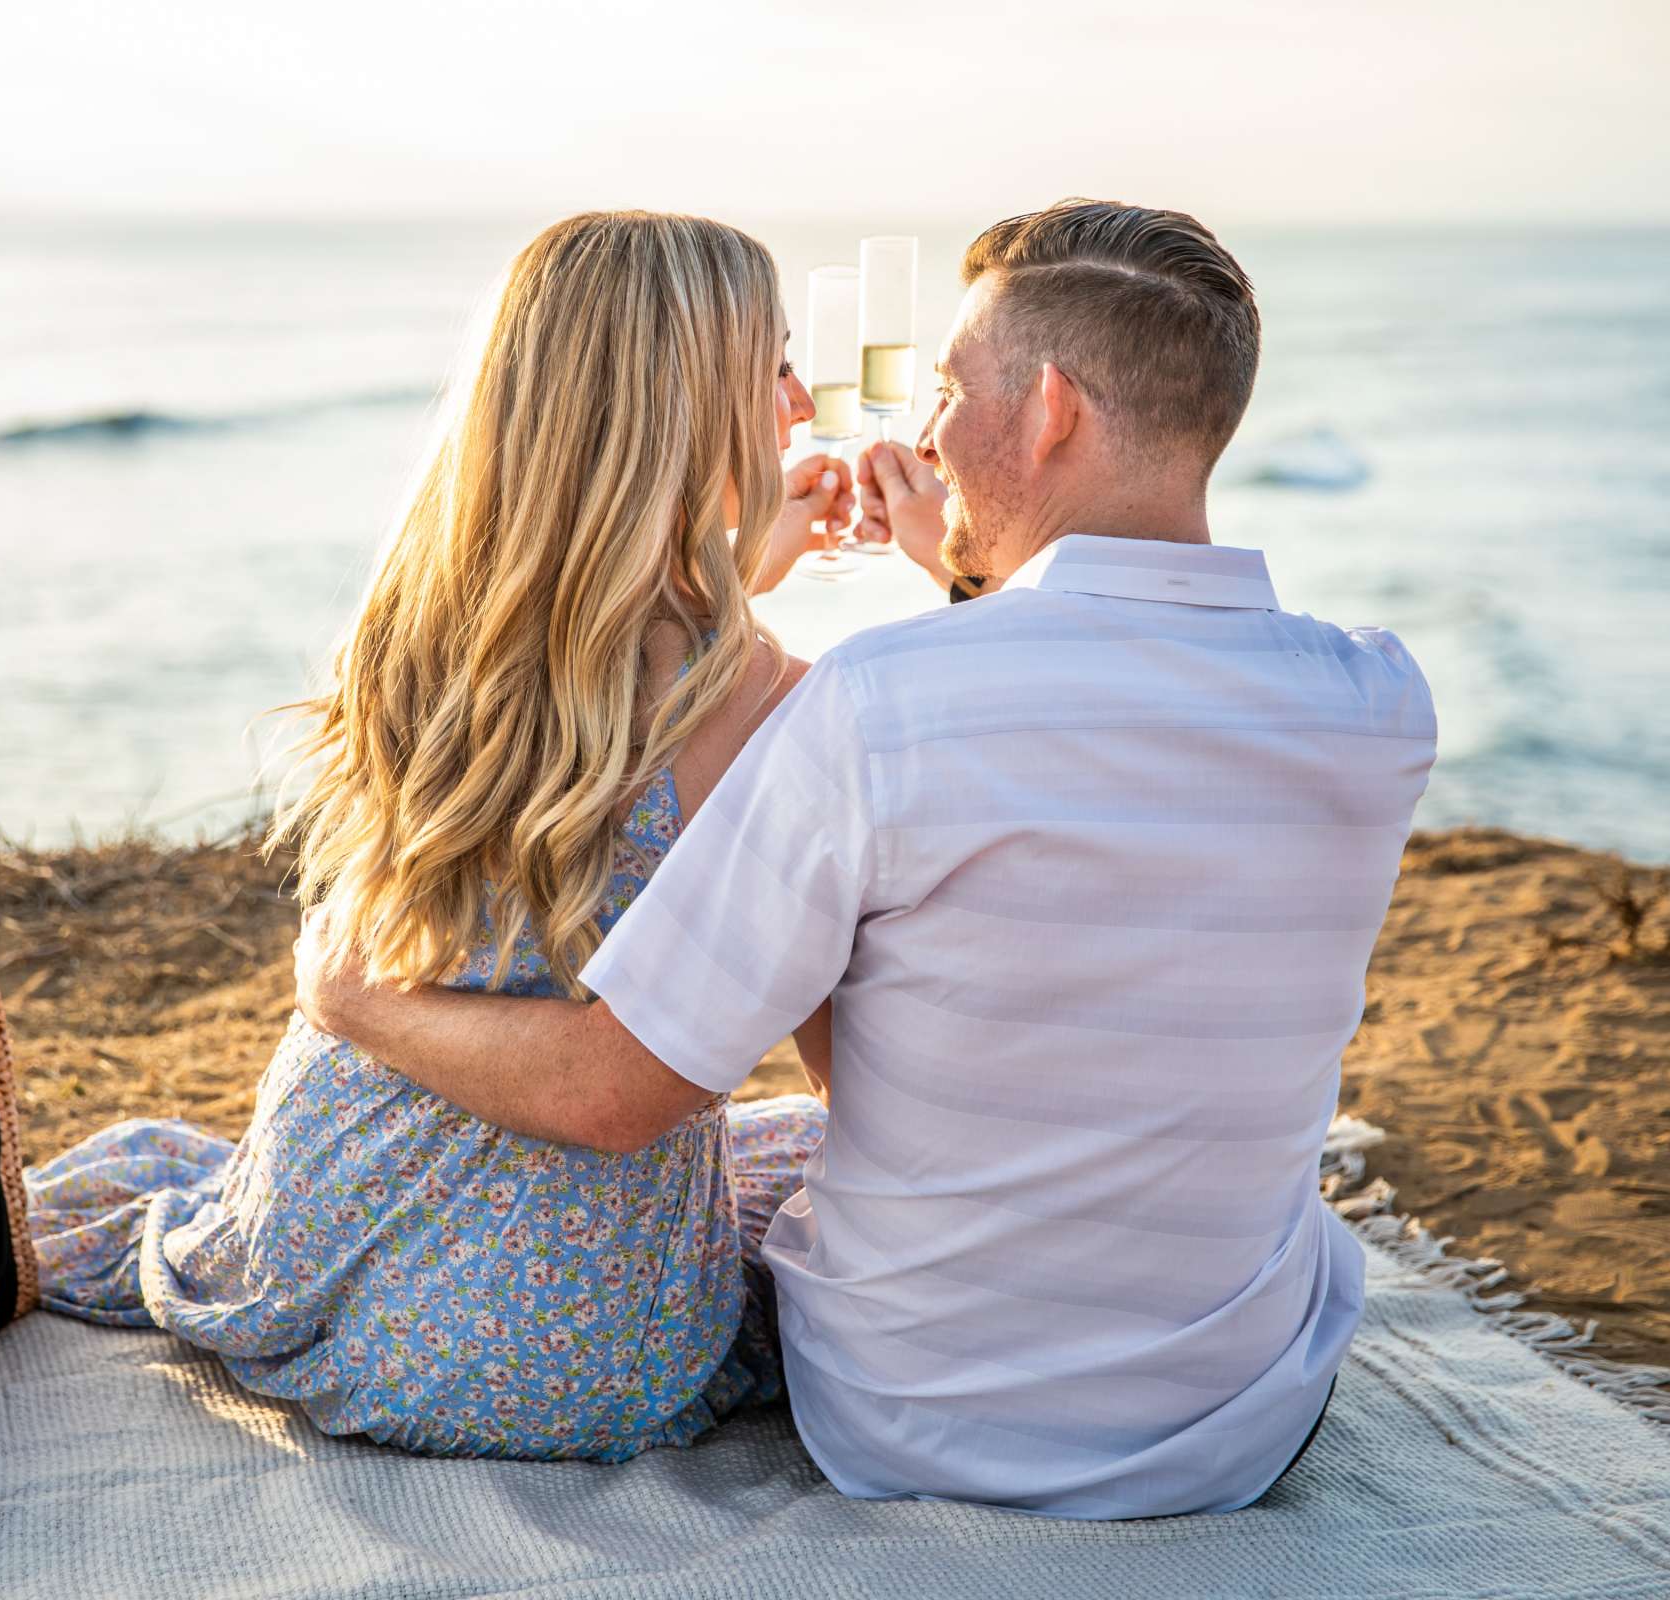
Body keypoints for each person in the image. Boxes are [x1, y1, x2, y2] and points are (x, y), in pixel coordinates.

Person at [296, 200, 1439, 1518]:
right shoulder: (1377, 705)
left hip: (917, 1419)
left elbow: (633, 1092)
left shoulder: (877, 706)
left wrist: (352, 998)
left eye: (951, 390)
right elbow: (1110, 756)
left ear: (1051, 409)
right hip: (1238, 1428)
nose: (925, 435)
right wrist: (976, 596)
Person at [24, 210, 860, 1462]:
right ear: (692, 408)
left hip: (320, 1254)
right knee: (802, 1154)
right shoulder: (769, 708)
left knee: (158, 1164)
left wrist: (353, 1005)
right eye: (774, 364)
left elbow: (610, 682)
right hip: (571, 1353)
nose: (799, 403)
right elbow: (833, 1067)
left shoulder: (423, 623)